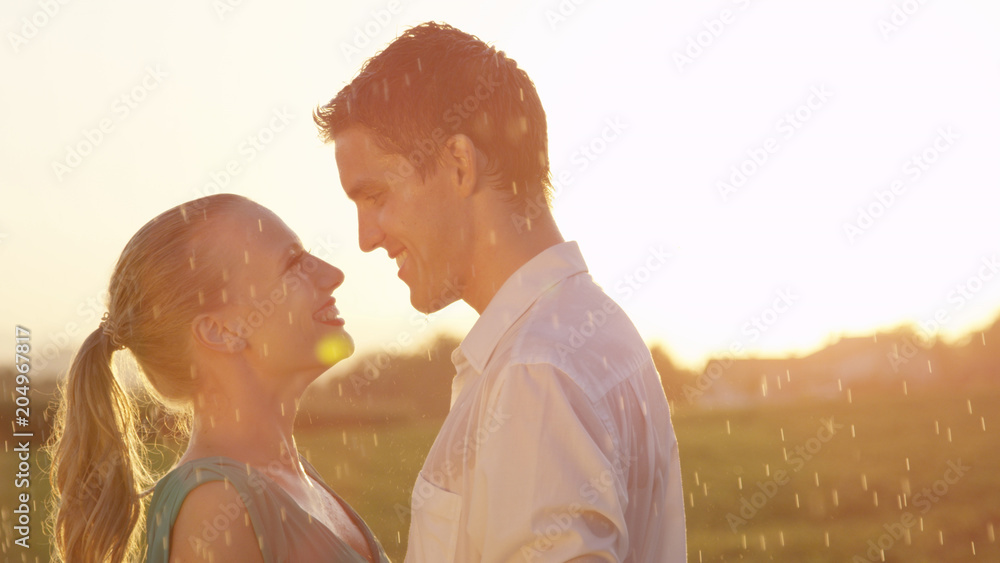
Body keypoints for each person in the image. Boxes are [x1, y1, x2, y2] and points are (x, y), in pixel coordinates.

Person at [315, 22, 687, 562]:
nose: (366, 237)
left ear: (459, 165)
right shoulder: (590, 331)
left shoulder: (534, 371)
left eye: (375, 195)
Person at [48, 194, 390, 563]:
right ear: (218, 331)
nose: (332, 274)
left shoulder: (288, 476)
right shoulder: (215, 508)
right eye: (293, 263)